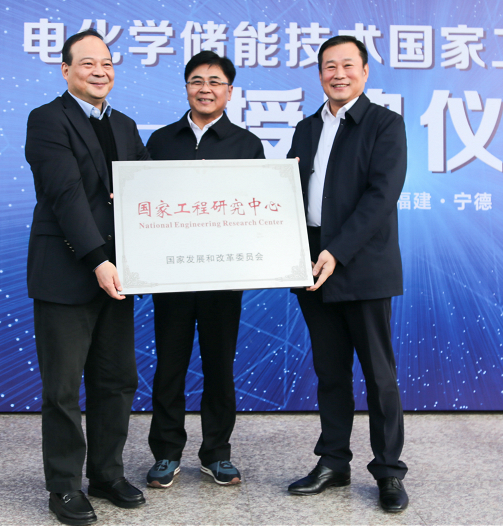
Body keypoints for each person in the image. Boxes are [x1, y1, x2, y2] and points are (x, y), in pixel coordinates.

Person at [25, 29, 149, 526]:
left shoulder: (125, 125)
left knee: (116, 380)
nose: (100, 71)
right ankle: (63, 486)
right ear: (66, 70)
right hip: (69, 272)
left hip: (119, 274)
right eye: (88, 63)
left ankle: (106, 474)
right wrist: (98, 260)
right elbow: (66, 195)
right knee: (62, 388)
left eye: (107, 63)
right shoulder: (46, 119)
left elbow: (147, 192)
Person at [285, 35, 410, 513]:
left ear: (364, 71)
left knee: (379, 374)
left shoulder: (384, 124)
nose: (338, 74)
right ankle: (334, 462)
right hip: (312, 263)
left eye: (347, 65)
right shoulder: (306, 128)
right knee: (330, 370)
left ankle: (389, 472)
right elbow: (287, 191)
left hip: (362, 263)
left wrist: (336, 251)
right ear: (319, 74)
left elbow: (382, 196)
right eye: (328, 67)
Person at [143, 51, 264, 489]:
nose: (205, 89)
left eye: (215, 82)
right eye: (197, 80)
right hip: (171, 276)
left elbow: (258, 211)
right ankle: (166, 452)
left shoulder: (247, 145)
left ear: (229, 91)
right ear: (186, 88)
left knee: (219, 367)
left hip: (223, 278)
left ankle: (217, 453)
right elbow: (144, 206)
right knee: (169, 366)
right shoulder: (160, 141)